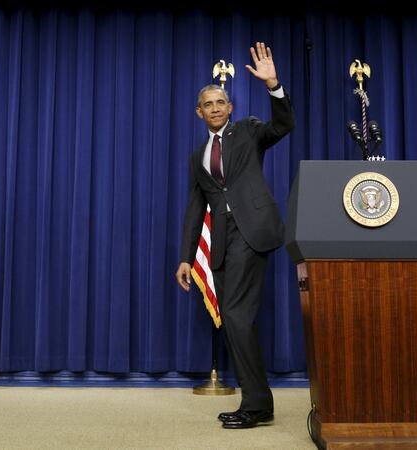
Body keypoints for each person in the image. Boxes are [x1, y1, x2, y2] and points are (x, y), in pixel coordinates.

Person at [175, 42, 294, 429]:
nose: (214, 109)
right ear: (199, 112)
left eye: (220, 103)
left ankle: (256, 404)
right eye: (207, 105)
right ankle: (260, 402)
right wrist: (186, 257)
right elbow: (195, 209)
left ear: (230, 107)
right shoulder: (197, 157)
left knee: (237, 315)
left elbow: (283, 125)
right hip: (222, 245)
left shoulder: (249, 131)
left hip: (252, 231)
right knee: (236, 318)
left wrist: (273, 84)